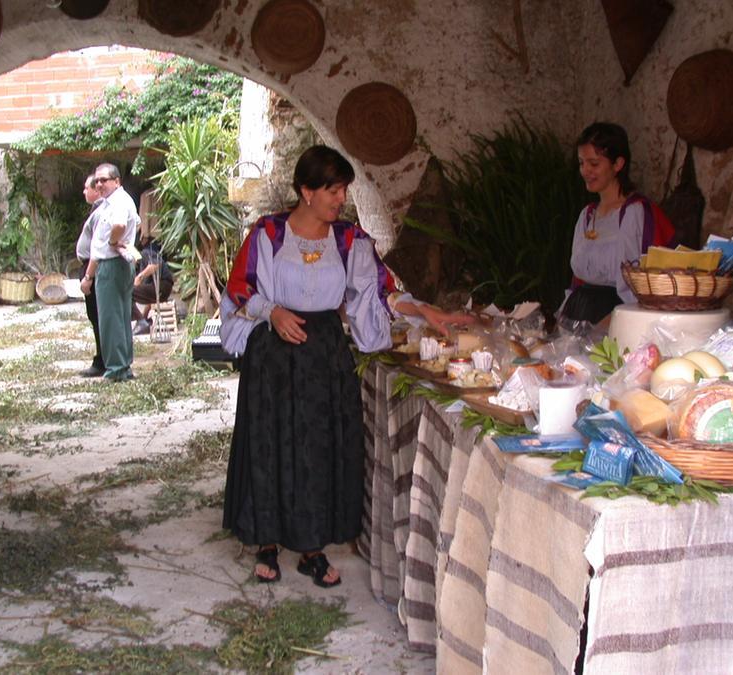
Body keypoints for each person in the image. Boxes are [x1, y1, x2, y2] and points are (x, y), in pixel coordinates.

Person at [219, 145, 475, 587]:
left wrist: (424, 311)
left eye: (343, 190)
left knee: (317, 447)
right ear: (307, 191)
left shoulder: (349, 240)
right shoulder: (269, 233)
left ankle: (312, 549)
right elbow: (241, 287)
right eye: (333, 190)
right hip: (274, 353)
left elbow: (379, 290)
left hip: (323, 353)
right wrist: (272, 312)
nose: (341, 199)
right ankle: (267, 542)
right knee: (270, 443)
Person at [560, 122, 674, 325]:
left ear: (618, 164)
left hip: (616, 314)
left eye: (594, 164)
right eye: (581, 163)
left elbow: (650, 280)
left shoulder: (636, 213)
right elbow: (577, 280)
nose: (585, 171)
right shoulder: (587, 215)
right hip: (578, 311)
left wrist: (614, 321)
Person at [80, 163, 140, 382]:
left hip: (112, 264)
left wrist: (115, 241)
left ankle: (116, 369)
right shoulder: (111, 202)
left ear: (116, 181)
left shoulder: (119, 202)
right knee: (120, 317)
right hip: (117, 263)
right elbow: (135, 223)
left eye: (104, 180)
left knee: (110, 319)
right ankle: (123, 366)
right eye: (97, 181)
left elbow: (119, 225)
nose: (99, 184)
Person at [75, 174, 106, 377]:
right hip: (88, 266)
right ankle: (102, 357)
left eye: (87, 188)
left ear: (96, 190)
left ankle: (102, 360)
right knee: (95, 316)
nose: (84, 191)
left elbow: (97, 247)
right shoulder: (97, 209)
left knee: (97, 316)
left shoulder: (102, 211)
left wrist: (88, 276)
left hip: (92, 268)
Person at [131, 238, 174, 336]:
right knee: (128, 292)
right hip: (157, 290)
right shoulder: (137, 268)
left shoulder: (145, 254)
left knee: (128, 291)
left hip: (163, 285)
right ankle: (142, 320)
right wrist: (144, 316)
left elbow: (155, 265)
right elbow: (149, 299)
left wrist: (140, 277)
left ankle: (141, 321)